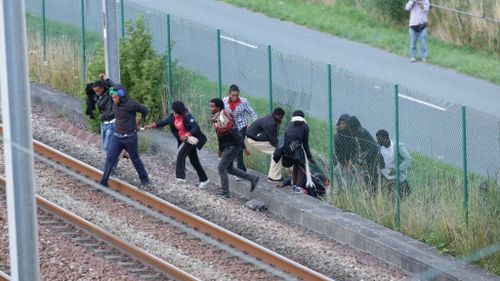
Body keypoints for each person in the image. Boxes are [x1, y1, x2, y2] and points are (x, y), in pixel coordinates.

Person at [145, 101, 210, 189]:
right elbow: (164, 122)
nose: (174, 114)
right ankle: (204, 180)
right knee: (194, 161)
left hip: (191, 139)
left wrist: (187, 134)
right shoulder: (173, 117)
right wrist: (153, 126)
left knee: (181, 155)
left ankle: (180, 178)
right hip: (186, 140)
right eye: (173, 112)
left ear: (180, 111)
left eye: (176, 112)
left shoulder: (187, 116)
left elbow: (196, 128)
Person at [99, 86, 150, 189]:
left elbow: (145, 110)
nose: (114, 100)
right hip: (117, 137)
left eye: (115, 97)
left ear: (121, 96)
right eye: (113, 98)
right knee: (110, 159)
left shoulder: (131, 104)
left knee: (135, 159)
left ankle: (145, 180)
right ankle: (103, 183)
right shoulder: (114, 104)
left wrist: (139, 123)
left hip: (130, 137)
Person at [210, 98, 259, 198]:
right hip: (229, 146)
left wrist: (244, 148)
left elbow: (235, 133)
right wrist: (220, 149)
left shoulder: (223, 118)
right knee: (229, 168)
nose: (210, 108)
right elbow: (220, 135)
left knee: (221, 168)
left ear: (218, 107)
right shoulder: (219, 116)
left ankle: (225, 193)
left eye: (212, 106)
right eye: (210, 106)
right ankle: (252, 178)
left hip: (231, 147)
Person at [273, 110, 315, 193]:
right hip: (295, 149)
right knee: (302, 166)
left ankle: (294, 185)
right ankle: (297, 187)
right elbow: (305, 144)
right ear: (303, 118)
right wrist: (309, 157)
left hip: (286, 150)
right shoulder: (305, 126)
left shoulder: (290, 124)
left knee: (296, 165)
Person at [223, 84, 258, 175]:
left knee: (238, 147)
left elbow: (253, 114)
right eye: (233, 95)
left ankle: (241, 171)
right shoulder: (225, 101)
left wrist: (253, 124)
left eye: (237, 95)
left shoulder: (243, 102)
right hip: (230, 128)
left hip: (242, 126)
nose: (235, 97)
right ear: (229, 94)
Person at [246, 107, 286, 182]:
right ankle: (274, 177)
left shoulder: (271, 119)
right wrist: (282, 149)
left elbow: (273, 138)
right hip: (254, 139)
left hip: (254, 137)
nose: (281, 119)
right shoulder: (270, 123)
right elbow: (273, 140)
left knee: (277, 152)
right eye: (281, 117)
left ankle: (273, 176)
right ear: (278, 116)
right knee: (277, 152)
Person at [347, 116, 380, 193]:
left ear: (352, 125)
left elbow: (371, 147)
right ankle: (371, 192)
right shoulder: (358, 132)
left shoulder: (360, 132)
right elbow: (359, 150)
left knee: (372, 176)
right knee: (368, 176)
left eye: (349, 126)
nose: (348, 128)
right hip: (370, 156)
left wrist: (363, 159)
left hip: (373, 156)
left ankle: (373, 193)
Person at [376, 129, 412, 198]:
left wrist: (396, 170)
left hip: (399, 177)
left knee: (405, 195)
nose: (377, 141)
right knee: (390, 198)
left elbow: (408, 159)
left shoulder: (397, 146)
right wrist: (385, 172)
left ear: (386, 138)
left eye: (379, 139)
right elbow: (380, 165)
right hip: (387, 179)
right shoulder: (380, 150)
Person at [92, 80, 116, 156]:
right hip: (103, 124)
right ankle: (111, 163)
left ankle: (110, 166)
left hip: (112, 123)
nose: (96, 93)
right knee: (105, 147)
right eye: (95, 91)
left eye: (97, 91)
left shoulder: (109, 94)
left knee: (107, 146)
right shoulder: (98, 97)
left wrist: (107, 80)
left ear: (102, 89)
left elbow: (116, 87)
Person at [333, 114, 356, 189]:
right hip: (342, 162)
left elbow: (354, 150)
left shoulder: (352, 135)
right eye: (341, 123)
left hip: (351, 162)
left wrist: (351, 162)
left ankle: (349, 192)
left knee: (350, 180)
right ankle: (339, 191)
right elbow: (337, 151)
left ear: (348, 124)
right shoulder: (337, 136)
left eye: (344, 123)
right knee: (336, 172)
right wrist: (342, 162)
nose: (342, 125)